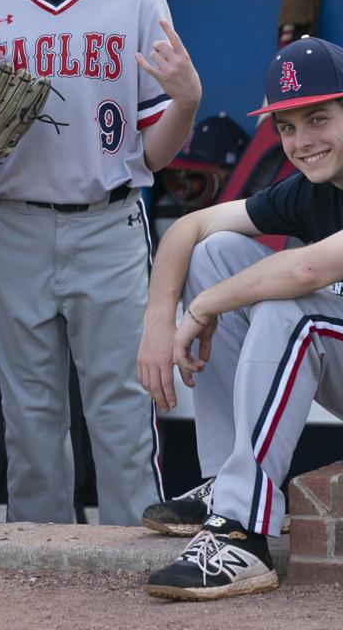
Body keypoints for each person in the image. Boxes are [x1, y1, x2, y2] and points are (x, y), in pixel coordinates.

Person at [0, 0, 202, 525]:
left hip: (108, 221)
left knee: (123, 410)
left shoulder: (138, 2)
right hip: (13, 225)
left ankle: (130, 564)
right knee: (29, 417)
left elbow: (153, 156)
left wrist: (186, 99)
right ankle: (43, 572)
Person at [140, 37, 343, 599]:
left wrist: (202, 307)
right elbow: (190, 228)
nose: (302, 143)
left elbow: (307, 270)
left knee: (290, 307)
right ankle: (227, 479)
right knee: (216, 253)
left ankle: (240, 530)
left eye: (319, 119)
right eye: (287, 127)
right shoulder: (310, 190)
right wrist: (159, 322)